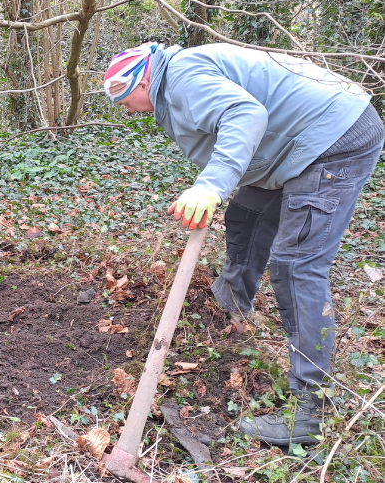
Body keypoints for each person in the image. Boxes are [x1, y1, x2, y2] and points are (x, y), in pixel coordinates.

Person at [104, 42, 384, 445]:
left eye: (123, 99)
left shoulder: (183, 77)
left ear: (143, 80)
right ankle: (228, 306)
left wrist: (210, 185)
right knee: (245, 214)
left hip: (333, 138)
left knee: (295, 264)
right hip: (293, 148)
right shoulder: (176, 82)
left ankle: (309, 410)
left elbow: (245, 113)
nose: (125, 109)